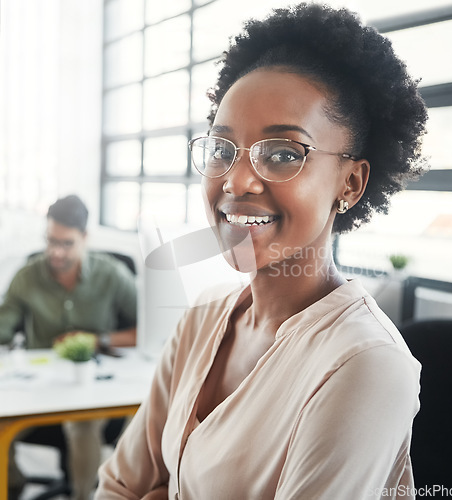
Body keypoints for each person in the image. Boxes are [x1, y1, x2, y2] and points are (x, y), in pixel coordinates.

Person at [97, 4, 427, 499]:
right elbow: (118, 487)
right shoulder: (202, 321)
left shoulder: (363, 363)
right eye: (222, 149)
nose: (236, 179)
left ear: (351, 182)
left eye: (282, 154)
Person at [0, 194, 137, 500]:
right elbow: (2, 329)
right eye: (50, 241)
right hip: (37, 391)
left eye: (66, 243)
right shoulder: (28, 276)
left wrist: (98, 340)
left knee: (83, 424)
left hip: (92, 386)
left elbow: (148, 331)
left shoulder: (111, 273)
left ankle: (82, 495)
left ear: (85, 237)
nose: (55, 252)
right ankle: (12, 486)